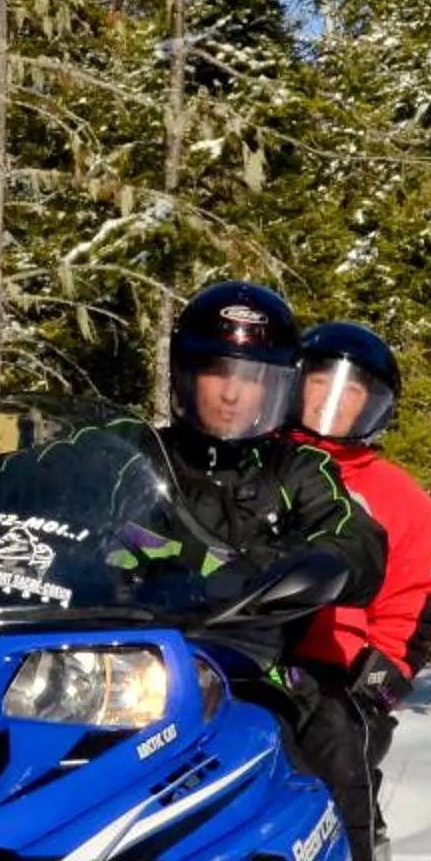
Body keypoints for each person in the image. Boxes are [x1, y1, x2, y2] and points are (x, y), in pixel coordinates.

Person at [149, 282, 389, 663]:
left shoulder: (298, 469)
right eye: (216, 371)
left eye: (250, 378)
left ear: (276, 388)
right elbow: (60, 477)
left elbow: (351, 532)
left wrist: (299, 565)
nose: (231, 394)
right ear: (186, 375)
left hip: (253, 665)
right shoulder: (139, 453)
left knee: (285, 720)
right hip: (119, 652)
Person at [283, 319, 431, 861]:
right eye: (320, 382)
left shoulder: (402, 501)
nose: (331, 401)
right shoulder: (251, 463)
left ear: (373, 406)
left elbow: (407, 604)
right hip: (231, 644)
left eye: (350, 391)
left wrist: (376, 686)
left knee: (330, 739)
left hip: (332, 668)